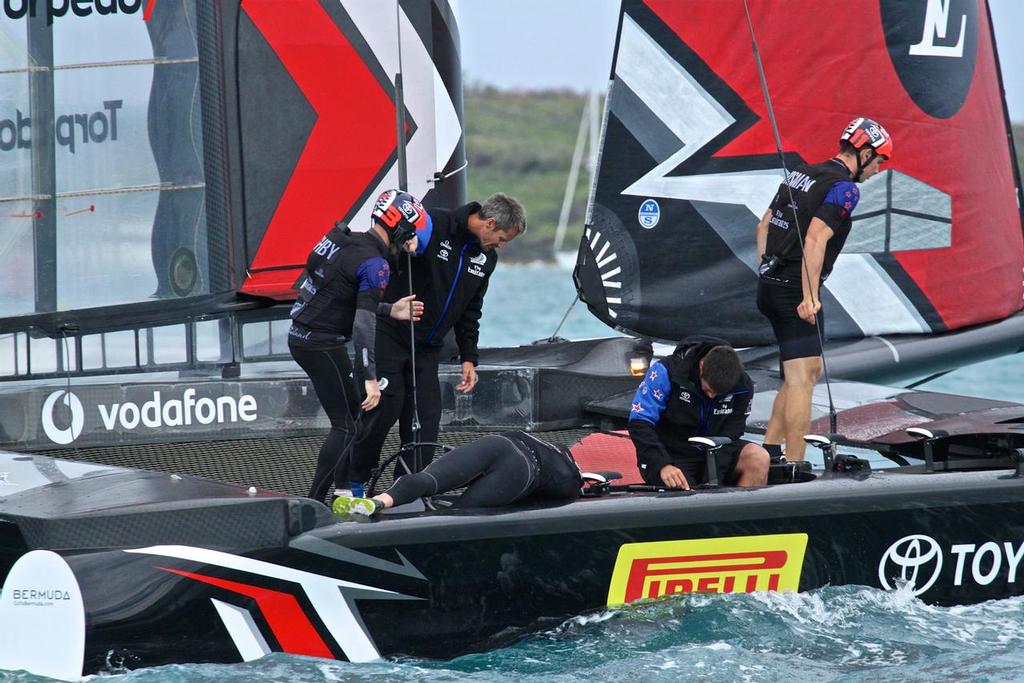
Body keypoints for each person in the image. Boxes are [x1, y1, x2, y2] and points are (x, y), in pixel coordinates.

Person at [350, 193, 527, 487]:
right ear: (490, 223)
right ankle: (354, 483)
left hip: (428, 349)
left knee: (426, 422)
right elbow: (385, 248)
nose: (502, 245)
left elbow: (471, 309)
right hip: (390, 336)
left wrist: (469, 356)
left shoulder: (486, 258)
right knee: (383, 411)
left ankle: (404, 490)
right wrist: (407, 243)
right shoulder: (435, 223)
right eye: (502, 237)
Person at [755, 117, 892, 462]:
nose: (877, 170)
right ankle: (795, 464)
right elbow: (815, 238)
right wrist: (810, 296)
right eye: (878, 161)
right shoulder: (846, 188)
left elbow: (764, 223)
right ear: (862, 153)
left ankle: (771, 451)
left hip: (770, 283)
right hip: (793, 291)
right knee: (803, 379)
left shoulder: (801, 171)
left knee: (801, 371)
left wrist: (764, 267)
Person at [288, 189, 429, 503]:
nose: (413, 238)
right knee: (347, 425)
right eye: (412, 230)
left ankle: (340, 493)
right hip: (318, 344)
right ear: (400, 227)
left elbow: (340, 297)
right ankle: (313, 503)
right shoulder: (376, 264)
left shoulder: (351, 243)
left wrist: (389, 309)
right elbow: (362, 326)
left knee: (351, 417)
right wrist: (368, 377)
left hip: (306, 337)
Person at [627, 337, 769, 489]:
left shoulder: (743, 384)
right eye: (709, 390)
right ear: (701, 366)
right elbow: (639, 424)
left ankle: (739, 510)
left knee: (759, 457)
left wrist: (713, 478)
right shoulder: (665, 372)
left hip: (717, 452)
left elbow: (733, 432)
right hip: (670, 454)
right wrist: (663, 464)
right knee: (685, 489)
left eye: (719, 394)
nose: (712, 397)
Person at [333, 430, 582, 516]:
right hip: (521, 470)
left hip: (496, 444)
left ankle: (377, 501)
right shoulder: (571, 478)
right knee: (457, 514)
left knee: (430, 480)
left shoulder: (549, 446)